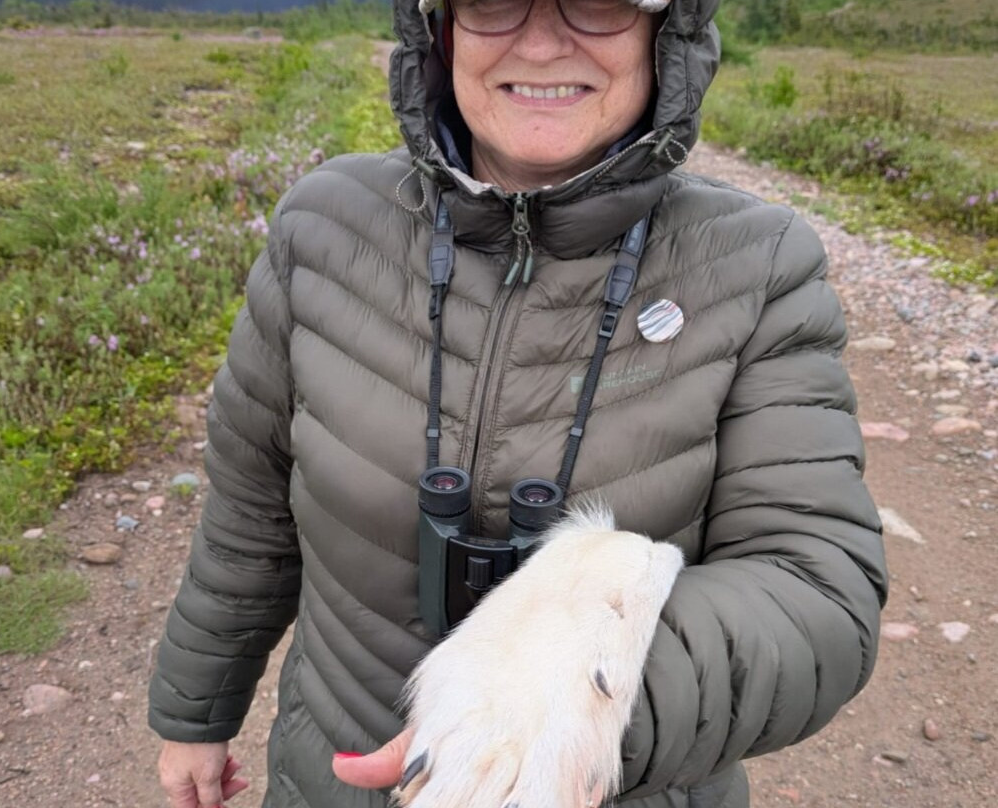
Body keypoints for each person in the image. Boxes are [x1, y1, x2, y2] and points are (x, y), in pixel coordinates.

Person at [149, 0, 889, 805]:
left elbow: (816, 591)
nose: (540, 41)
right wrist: (196, 709)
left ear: (664, 35)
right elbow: (249, 511)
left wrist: (558, 713)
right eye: (494, 2)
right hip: (332, 779)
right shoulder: (324, 225)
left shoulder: (760, 264)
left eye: (600, 2)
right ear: (439, 31)